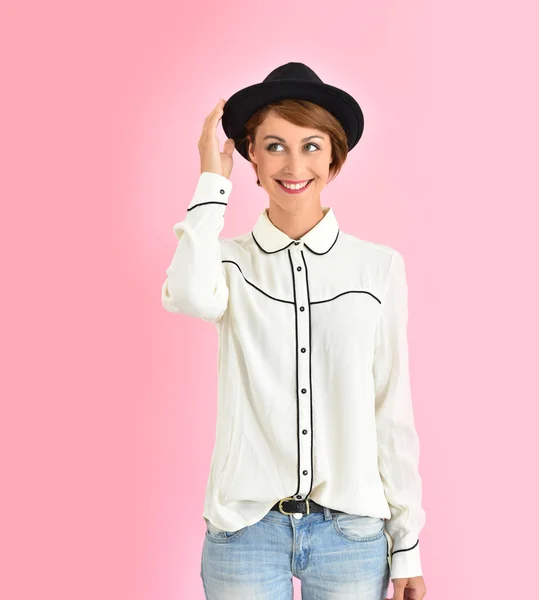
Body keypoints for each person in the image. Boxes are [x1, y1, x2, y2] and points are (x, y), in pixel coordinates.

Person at [161, 62, 427, 600]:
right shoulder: (226, 262)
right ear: (251, 156)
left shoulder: (377, 268)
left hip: (352, 535)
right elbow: (187, 296)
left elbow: (389, 408)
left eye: (311, 145)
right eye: (275, 145)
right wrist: (212, 180)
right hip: (245, 533)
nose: (293, 163)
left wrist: (407, 546)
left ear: (334, 156)